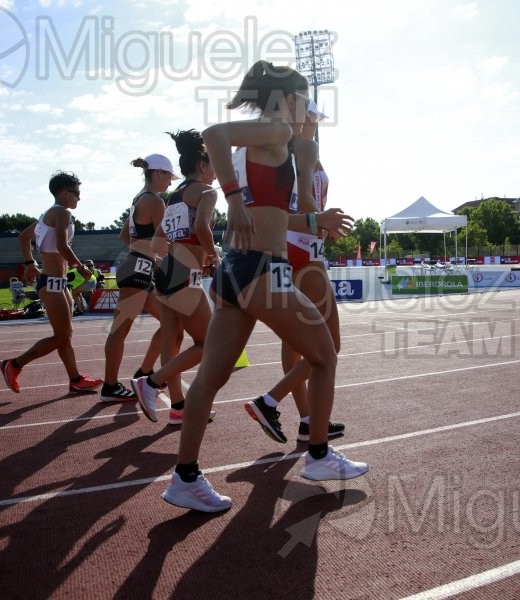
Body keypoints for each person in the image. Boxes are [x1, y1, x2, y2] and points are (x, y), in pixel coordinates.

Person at [134, 60, 368, 513]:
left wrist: (315, 217)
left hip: (239, 268)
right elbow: (214, 133)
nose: (308, 110)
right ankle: (318, 453)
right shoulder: (275, 129)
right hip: (263, 268)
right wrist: (234, 199)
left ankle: (185, 477)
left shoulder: (275, 139)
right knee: (324, 353)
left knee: (212, 375)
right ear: (286, 100)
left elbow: (278, 215)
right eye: (304, 100)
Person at [245, 98, 352, 444]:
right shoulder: (300, 150)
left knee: (295, 342)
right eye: (313, 117)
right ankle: (270, 401)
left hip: (295, 245)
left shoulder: (295, 150)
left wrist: (321, 223)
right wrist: (321, 223)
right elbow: (304, 200)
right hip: (301, 248)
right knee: (330, 343)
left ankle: (307, 420)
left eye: (318, 119)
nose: (316, 123)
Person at [130, 130, 220, 425]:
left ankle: (179, 407)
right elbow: (203, 228)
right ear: (203, 166)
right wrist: (212, 256)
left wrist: (179, 254)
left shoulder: (175, 195)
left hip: (166, 270)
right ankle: (152, 383)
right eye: (215, 164)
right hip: (184, 275)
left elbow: (157, 241)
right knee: (210, 343)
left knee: (173, 342)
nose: (219, 172)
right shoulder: (207, 193)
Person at [0, 171, 103, 394]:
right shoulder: (62, 213)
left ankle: (75, 379)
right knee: (61, 336)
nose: (79, 198)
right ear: (64, 193)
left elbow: (23, 237)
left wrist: (29, 263)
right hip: (53, 283)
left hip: (57, 282)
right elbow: (64, 247)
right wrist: (82, 268)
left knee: (65, 336)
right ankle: (14, 364)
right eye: (76, 193)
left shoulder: (46, 215)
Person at [99, 155, 177, 402]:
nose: (170, 184)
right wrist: (161, 256)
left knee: (170, 324)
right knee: (120, 330)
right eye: (168, 177)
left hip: (136, 266)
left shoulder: (138, 200)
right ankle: (110, 386)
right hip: (138, 270)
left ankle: (145, 372)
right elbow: (163, 243)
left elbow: (125, 236)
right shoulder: (154, 201)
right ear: (157, 174)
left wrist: (151, 257)